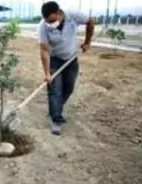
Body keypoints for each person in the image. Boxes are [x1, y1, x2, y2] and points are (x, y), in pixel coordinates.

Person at [37, 1, 94, 135]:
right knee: (54, 89)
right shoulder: (42, 26)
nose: (50, 24)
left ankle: (55, 108)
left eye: (52, 21)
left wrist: (87, 42)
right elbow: (44, 50)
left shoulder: (73, 15)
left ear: (59, 13)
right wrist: (47, 73)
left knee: (69, 88)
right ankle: (56, 118)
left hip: (71, 58)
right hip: (55, 60)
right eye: (47, 22)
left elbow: (90, 22)